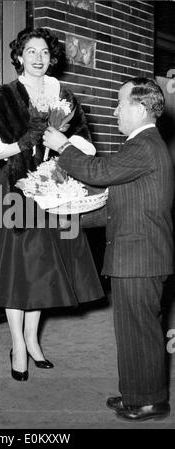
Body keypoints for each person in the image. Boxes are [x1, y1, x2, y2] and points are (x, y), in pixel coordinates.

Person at [0, 27, 104, 381]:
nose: (38, 58)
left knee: (43, 270)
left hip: (54, 190)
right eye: (31, 51)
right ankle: (17, 342)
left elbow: (85, 142)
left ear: (52, 57)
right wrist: (20, 143)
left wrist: (64, 146)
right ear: (18, 56)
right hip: (14, 190)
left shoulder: (63, 94)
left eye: (44, 52)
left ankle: (32, 339)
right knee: (17, 272)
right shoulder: (1, 96)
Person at [43, 77, 174, 421]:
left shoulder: (144, 144)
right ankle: (137, 393)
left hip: (139, 256)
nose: (114, 110)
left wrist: (63, 147)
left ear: (140, 107)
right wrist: (62, 215)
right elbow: (112, 206)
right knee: (135, 330)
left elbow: (99, 172)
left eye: (119, 103)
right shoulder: (143, 146)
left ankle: (149, 401)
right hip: (138, 254)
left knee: (139, 330)